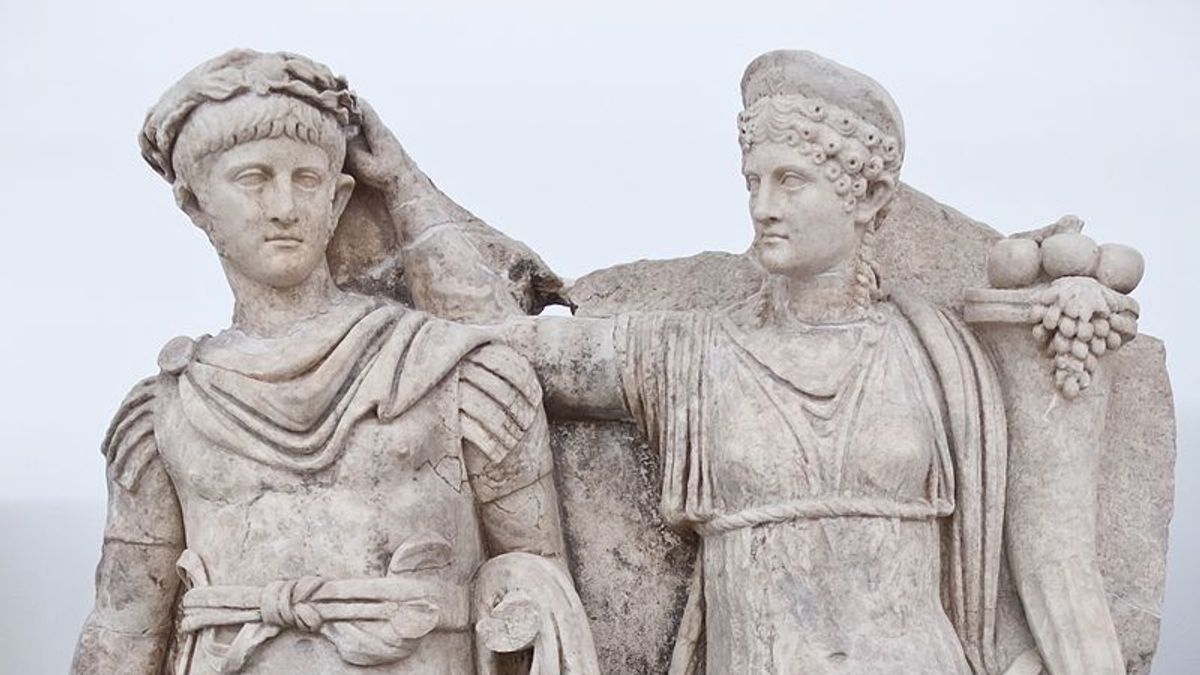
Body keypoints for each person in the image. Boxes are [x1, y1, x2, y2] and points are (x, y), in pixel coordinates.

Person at [352, 50, 1131, 674]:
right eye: (754, 181)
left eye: (792, 181)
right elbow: (501, 343)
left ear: (867, 198)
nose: (763, 206)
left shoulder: (938, 356)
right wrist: (404, 192)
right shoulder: (688, 354)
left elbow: (1051, 547)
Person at [72, 49, 592, 675]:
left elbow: (540, 588)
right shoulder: (164, 413)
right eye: (253, 179)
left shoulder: (452, 373)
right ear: (197, 204)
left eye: (307, 179)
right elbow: (123, 631)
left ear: (339, 197)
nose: (284, 206)